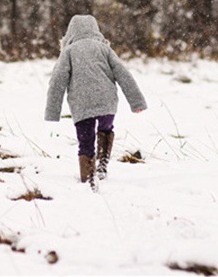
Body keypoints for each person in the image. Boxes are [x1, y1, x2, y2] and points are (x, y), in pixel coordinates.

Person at [44, 14, 147, 190]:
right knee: (106, 129)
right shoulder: (105, 49)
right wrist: (136, 102)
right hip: (106, 100)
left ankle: (88, 175)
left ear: (70, 33)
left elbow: (57, 80)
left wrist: (52, 111)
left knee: (86, 139)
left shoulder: (68, 52)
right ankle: (102, 164)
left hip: (81, 103)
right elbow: (124, 75)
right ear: (96, 30)